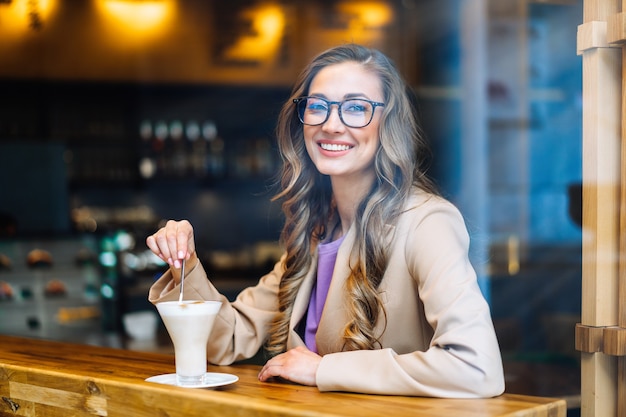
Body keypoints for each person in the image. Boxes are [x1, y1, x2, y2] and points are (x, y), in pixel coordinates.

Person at [146, 43, 505, 398]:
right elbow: (229, 339)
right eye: (318, 106)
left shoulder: (427, 222)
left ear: (388, 123)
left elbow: (476, 368)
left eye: (356, 108)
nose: (332, 124)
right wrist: (185, 263)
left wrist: (323, 370)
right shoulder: (316, 230)